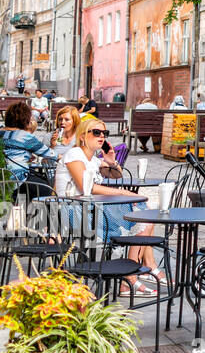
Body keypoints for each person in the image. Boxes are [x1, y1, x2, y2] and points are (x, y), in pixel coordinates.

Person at [54, 117, 159, 296]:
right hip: (72, 211)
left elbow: (117, 175)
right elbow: (86, 188)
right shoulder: (75, 154)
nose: (101, 136)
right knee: (142, 214)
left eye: (104, 133)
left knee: (145, 214)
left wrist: (112, 161)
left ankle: (132, 276)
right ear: (82, 136)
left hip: (90, 209)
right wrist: (127, 194)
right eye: (96, 132)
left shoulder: (93, 159)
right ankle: (131, 278)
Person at [1, 100, 58, 186]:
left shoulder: (2, 132)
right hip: (17, 178)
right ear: (25, 118)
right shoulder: (24, 136)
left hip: (2, 177)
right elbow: (49, 153)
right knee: (47, 188)